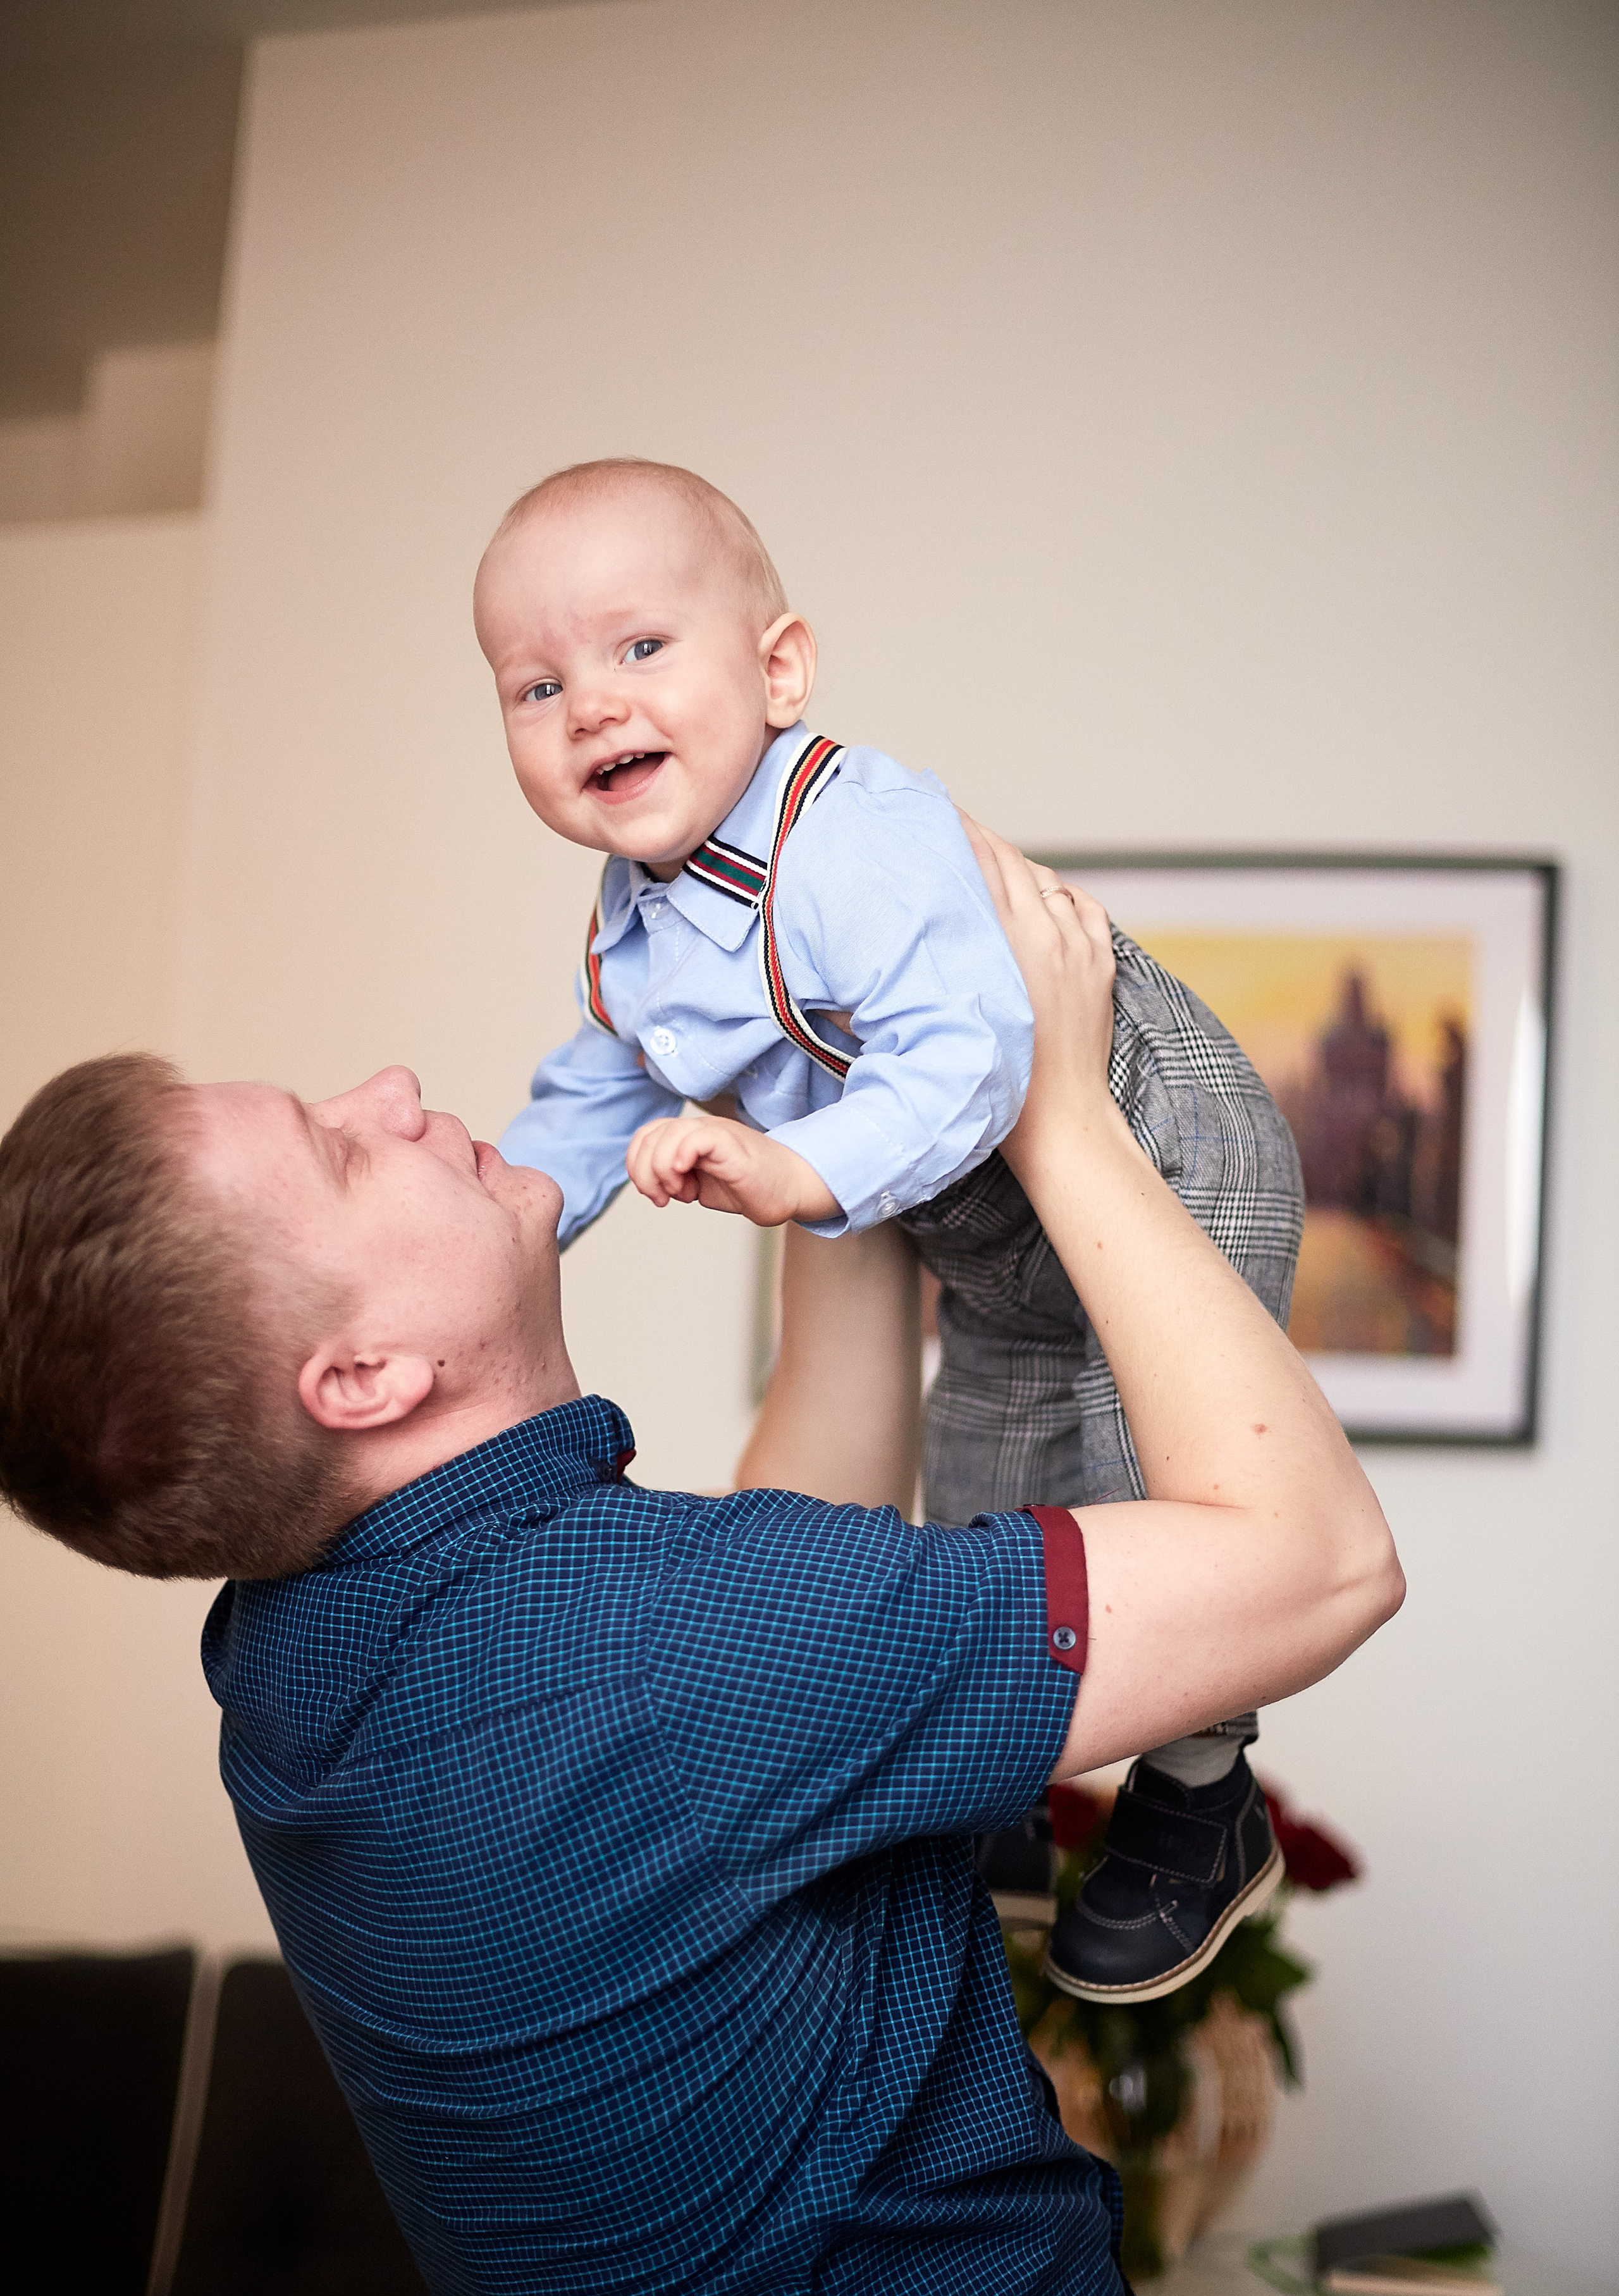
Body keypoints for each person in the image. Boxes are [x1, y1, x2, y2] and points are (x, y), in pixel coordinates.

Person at [0, 832, 1401, 2296]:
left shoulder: (301, 1658)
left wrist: (832, 1114)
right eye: (334, 1150)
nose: (387, 1089)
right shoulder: (663, 1647)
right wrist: (1064, 1118)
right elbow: (1317, 1561)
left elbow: (776, 1557)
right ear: (365, 1379)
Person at [477, 457, 1307, 2001]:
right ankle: (997, 1785)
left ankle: (1200, 1795)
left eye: (639, 648)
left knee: (1153, 1466)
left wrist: (795, 1172)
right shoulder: (629, 923)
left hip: (1154, 1143)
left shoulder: (849, 835)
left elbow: (978, 1059)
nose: (589, 702)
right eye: (535, 684)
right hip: (973, 1217)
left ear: (778, 668)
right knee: (988, 1477)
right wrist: (509, 1221)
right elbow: (596, 1092)